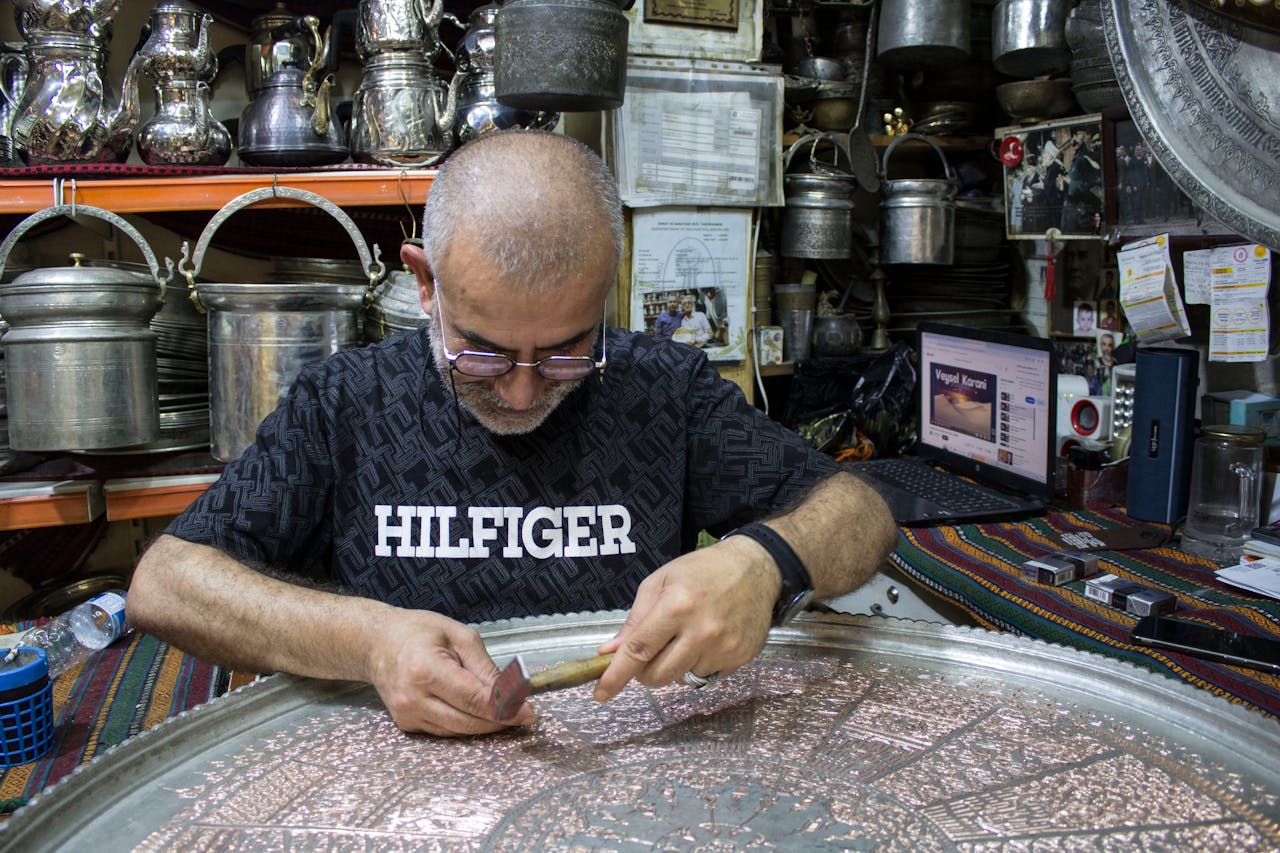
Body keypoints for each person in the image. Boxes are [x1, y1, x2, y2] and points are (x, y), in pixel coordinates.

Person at [126, 131, 897, 739]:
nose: (524, 388)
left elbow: (863, 513)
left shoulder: (663, 388)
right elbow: (166, 584)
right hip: (396, 783)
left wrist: (766, 561)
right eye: (483, 352)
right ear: (425, 282)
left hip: (620, 774)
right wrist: (366, 639)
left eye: (566, 350)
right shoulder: (349, 400)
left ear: (606, 296)